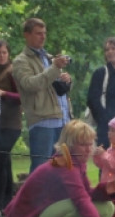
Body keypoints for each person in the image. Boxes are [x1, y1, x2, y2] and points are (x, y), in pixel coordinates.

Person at [4, 120, 115, 217]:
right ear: (69, 145)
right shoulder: (65, 165)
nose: (89, 149)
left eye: (90, 144)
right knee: (75, 208)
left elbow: (86, 193)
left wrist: (107, 190)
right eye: (83, 145)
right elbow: (81, 200)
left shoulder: (75, 162)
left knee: (107, 207)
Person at [12, 18, 73, 172]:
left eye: (44, 33)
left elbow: (53, 86)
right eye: (38, 33)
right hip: (43, 121)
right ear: (27, 35)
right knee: (41, 169)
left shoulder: (49, 57)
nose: (43, 37)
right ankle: (35, 190)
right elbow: (30, 84)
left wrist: (66, 80)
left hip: (63, 120)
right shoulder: (21, 61)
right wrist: (54, 68)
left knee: (63, 169)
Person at [0, 39, 21, 217]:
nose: (1, 56)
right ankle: (9, 203)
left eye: (4, 53)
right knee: (4, 161)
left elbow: (23, 96)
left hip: (11, 124)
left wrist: (4, 94)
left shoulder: (12, 71)